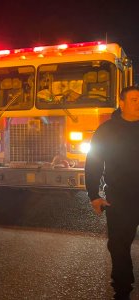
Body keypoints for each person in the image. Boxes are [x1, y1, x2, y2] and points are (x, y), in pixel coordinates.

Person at [85, 85, 139, 300]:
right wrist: (94, 195)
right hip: (120, 197)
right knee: (118, 245)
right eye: (134, 100)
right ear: (122, 103)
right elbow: (94, 163)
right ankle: (123, 288)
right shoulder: (107, 130)